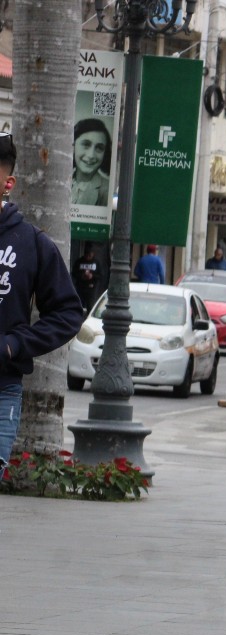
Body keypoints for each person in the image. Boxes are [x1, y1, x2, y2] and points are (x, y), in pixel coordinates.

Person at [0, 133, 86, 475]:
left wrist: (15, 344)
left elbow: (68, 313)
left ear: (8, 184)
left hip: (2, 389)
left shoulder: (31, 243)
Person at [70, 118, 112, 207]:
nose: (91, 155)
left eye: (99, 148)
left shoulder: (107, 191)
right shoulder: (62, 181)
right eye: (86, 144)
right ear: (73, 146)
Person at [72, 242, 103, 311]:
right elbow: (74, 273)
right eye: (86, 254)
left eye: (89, 255)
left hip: (92, 288)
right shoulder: (79, 261)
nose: (88, 257)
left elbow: (100, 275)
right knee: (79, 304)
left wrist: (92, 276)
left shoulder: (96, 263)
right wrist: (82, 276)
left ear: (93, 254)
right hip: (81, 287)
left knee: (90, 305)